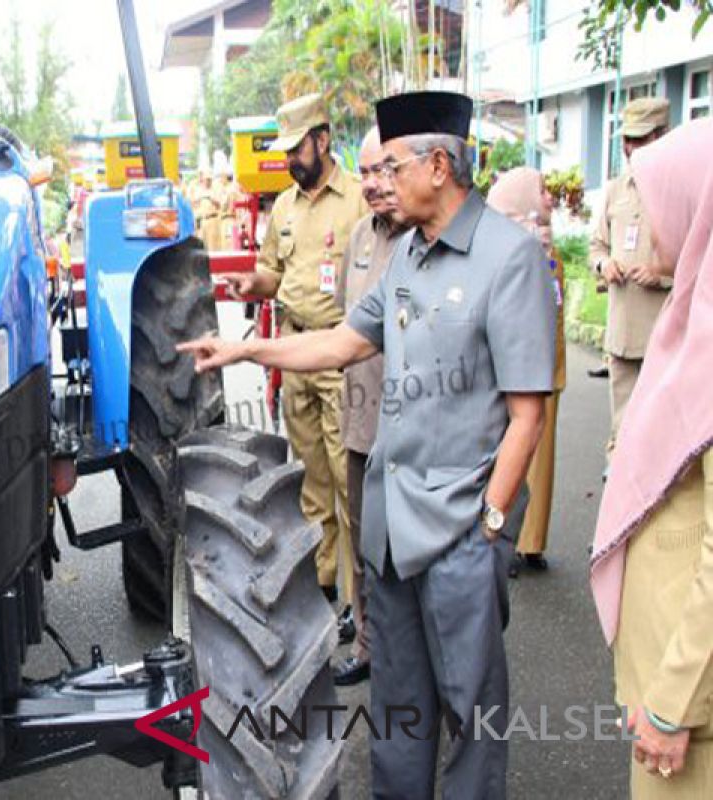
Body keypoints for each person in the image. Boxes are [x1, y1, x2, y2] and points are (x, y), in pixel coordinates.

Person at [181, 91, 556, 799]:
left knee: (471, 712)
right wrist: (244, 348)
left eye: (391, 164)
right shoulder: (407, 257)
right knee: (398, 708)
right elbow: (343, 341)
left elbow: (527, 415)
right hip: (389, 530)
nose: (378, 180)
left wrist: (492, 524)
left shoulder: (509, 260)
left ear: (438, 165)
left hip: (460, 530)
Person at [591, 118, 713, 799]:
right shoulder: (696, 312)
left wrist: (673, 705)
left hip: (690, 701)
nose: (655, 225)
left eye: (663, 203)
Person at [222, 93, 368, 604]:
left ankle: (359, 600)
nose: (289, 161)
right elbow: (273, 274)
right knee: (310, 478)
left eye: (296, 150)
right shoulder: (283, 206)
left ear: (322, 140)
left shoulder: (357, 199)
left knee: (350, 480)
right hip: (293, 348)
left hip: (339, 355)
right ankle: (321, 583)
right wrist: (250, 285)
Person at [331, 126, 408, 687]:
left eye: (385, 170)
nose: (374, 185)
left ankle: (413, 652)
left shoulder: (426, 238)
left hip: (414, 427)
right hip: (361, 420)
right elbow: (345, 320)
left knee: (410, 547)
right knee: (362, 541)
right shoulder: (360, 237)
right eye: (365, 173)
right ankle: (367, 642)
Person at [488, 167, 565, 576]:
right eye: (541, 191)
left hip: (547, 370)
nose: (549, 199)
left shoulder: (543, 244)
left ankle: (529, 540)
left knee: (541, 458)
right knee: (510, 454)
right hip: (514, 371)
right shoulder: (509, 247)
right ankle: (504, 534)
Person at [590, 97, 672, 465]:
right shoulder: (615, 190)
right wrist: (603, 264)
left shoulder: (681, 189)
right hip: (621, 332)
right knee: (621, 428)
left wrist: (662, 274)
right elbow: (596, 246)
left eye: (641, 139)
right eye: (627, 140)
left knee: (661, 430)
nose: (631, 148)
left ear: (662, 136)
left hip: (666, 334)